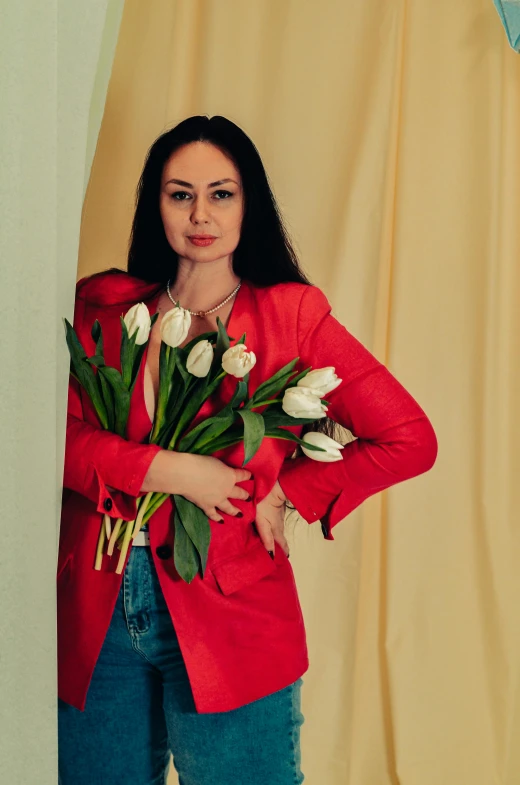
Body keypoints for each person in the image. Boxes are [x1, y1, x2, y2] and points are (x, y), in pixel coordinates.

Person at [57, 115, 438, 785]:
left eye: (221, 193)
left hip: (230, 612)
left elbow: (409, 437)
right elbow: (56, 443)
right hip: (97, 611)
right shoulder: (105, 307)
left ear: (248, 202)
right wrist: (176, 470)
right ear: (156, 203)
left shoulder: (292, 315)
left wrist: (290, 491)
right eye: (180, 194)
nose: (200, 213)